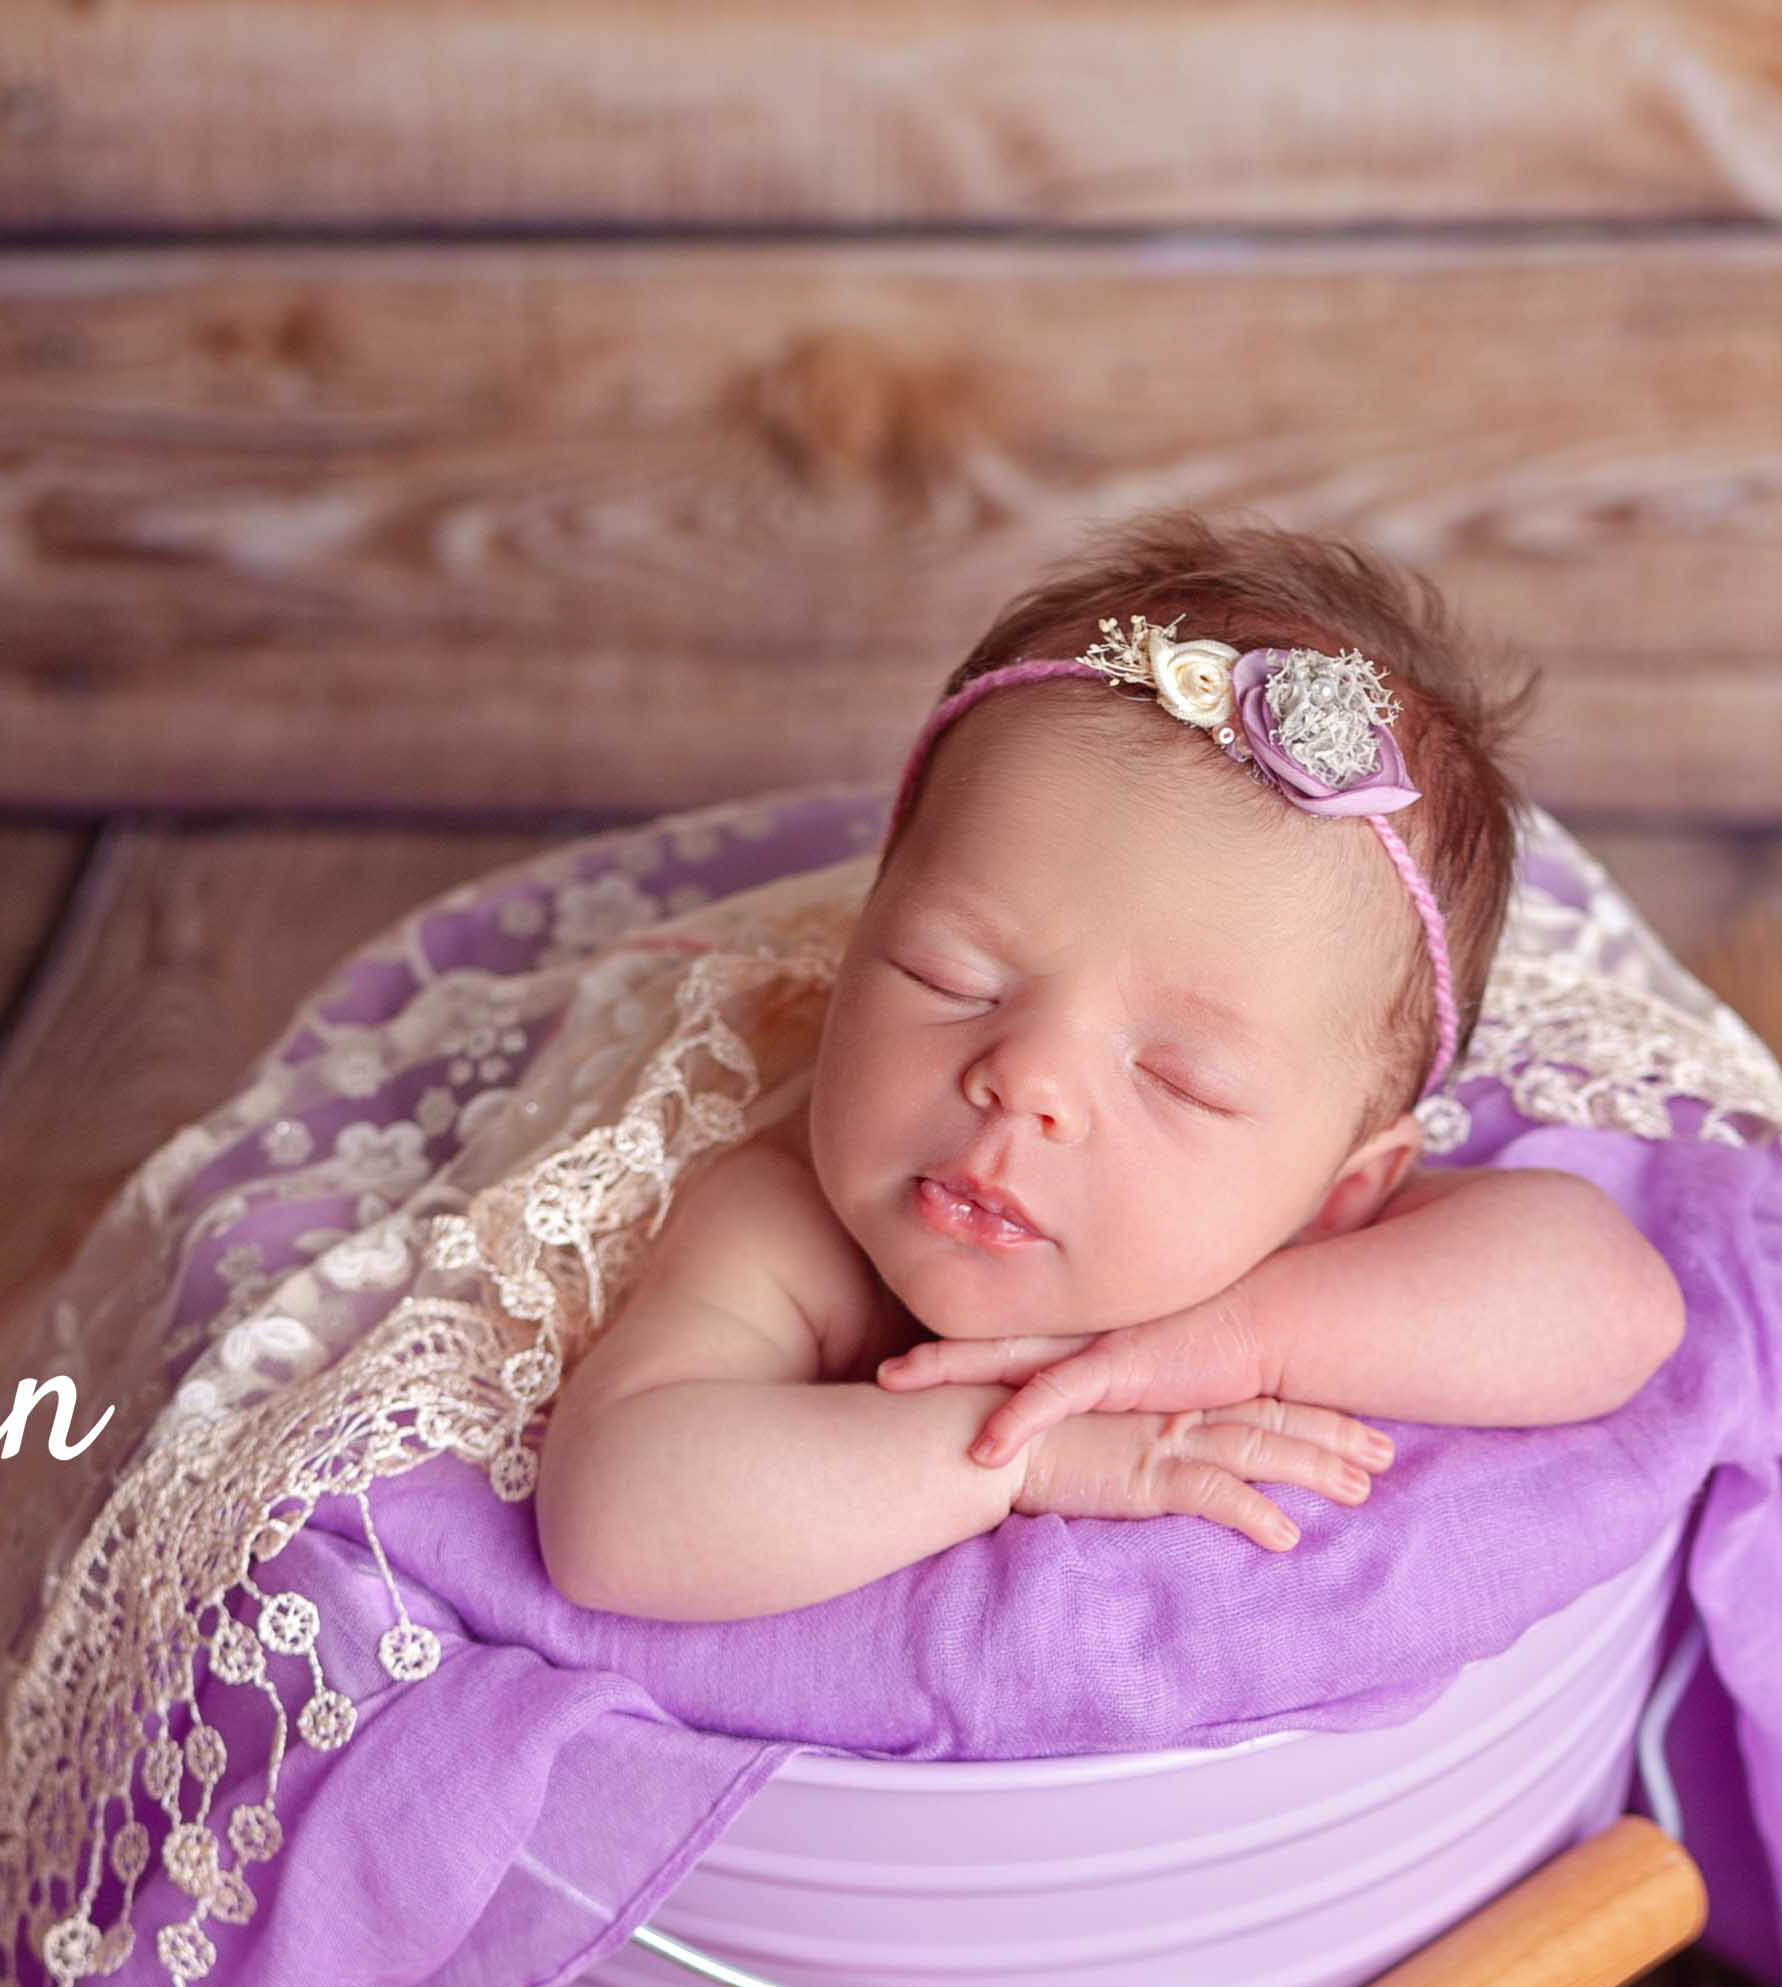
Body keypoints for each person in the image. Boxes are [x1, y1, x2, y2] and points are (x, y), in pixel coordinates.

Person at [534, 517, 1686, 1622]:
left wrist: (1246, 1339)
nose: (1024, 1079)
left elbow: (1621, 1309)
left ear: (1342, 1189)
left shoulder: (1296, 1239)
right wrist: (1014, 1452)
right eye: (948, 978)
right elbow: (614, 1522)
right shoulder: (789, 1214)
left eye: (1179, 1081)